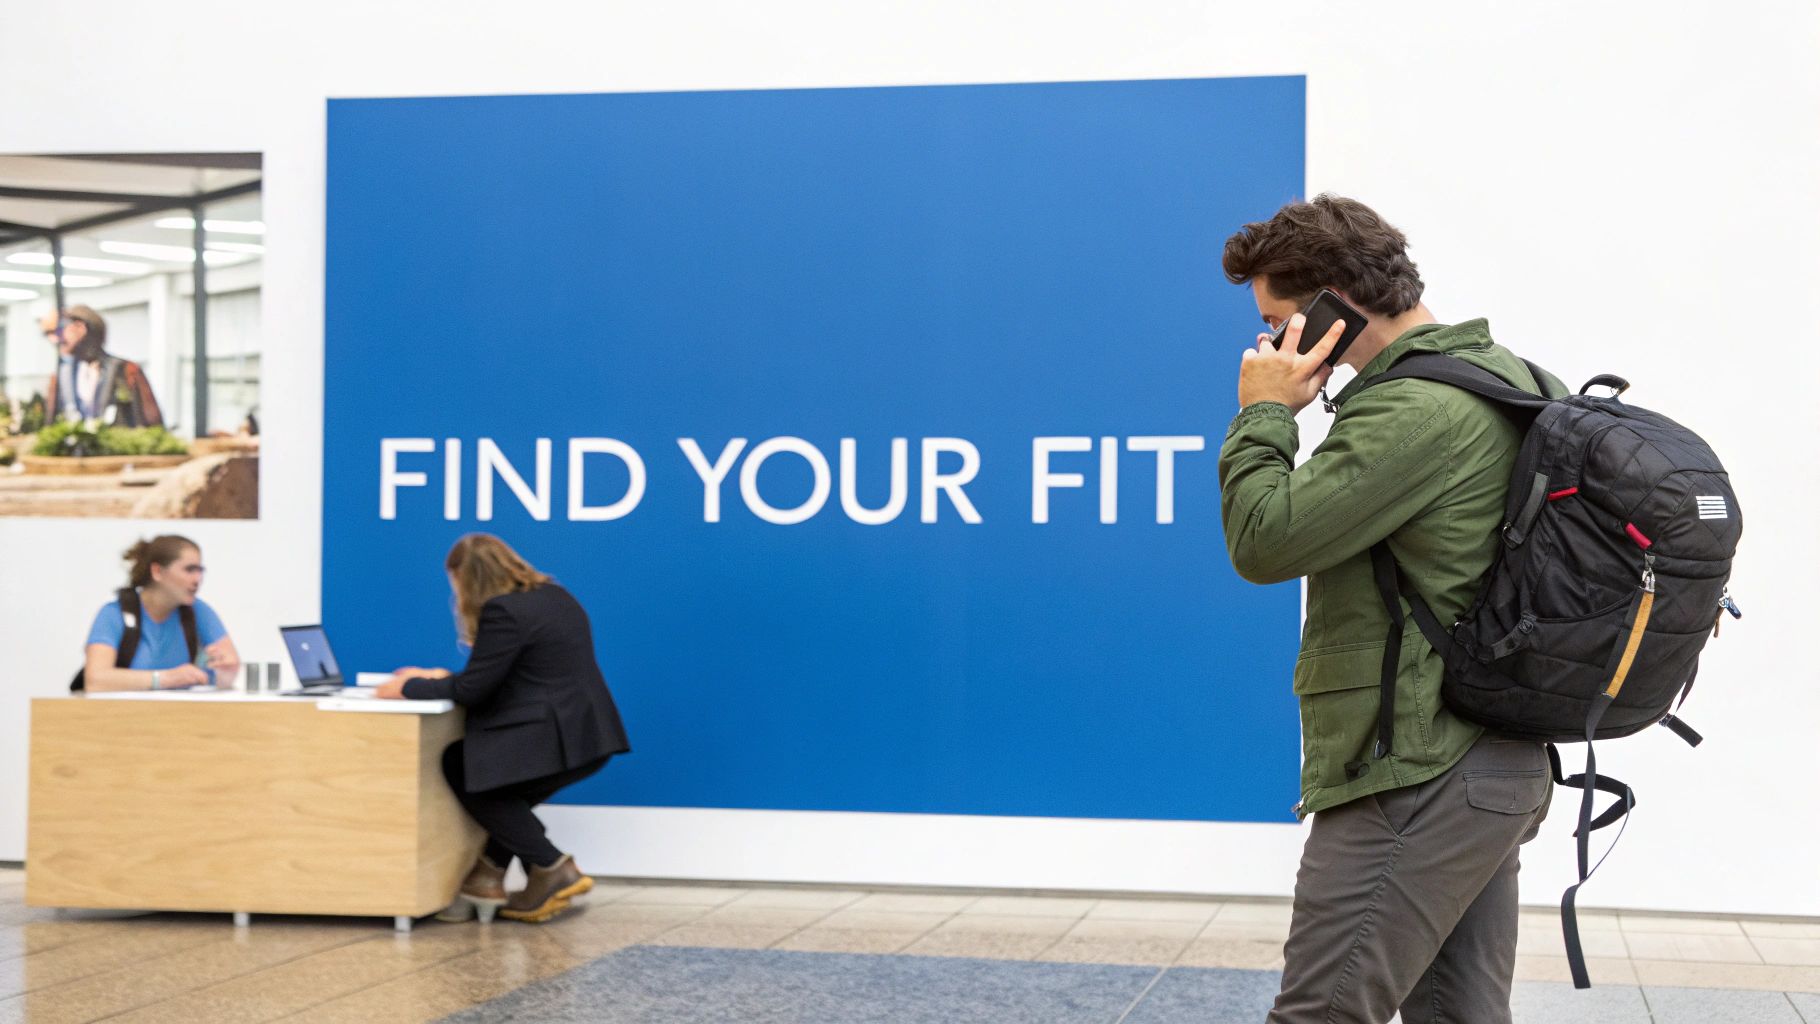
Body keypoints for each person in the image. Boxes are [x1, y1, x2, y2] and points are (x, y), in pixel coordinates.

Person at [1217, 195, 1568, 1024]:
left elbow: (1265, 542)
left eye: (1277, 323)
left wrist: (1264, 412)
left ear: (1332, 306)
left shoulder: (1414, 408)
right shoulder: (1510, 377)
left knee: (1322, 1013)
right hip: (1492, 759)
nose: (1270, 344)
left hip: (1418, 767)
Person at [377, 533, 630, 923]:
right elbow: (515, 674)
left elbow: (474, 690)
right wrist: (441, 677)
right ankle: (486, 879)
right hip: (589, 737)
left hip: (550, 737)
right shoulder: (555, 597)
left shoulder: (502, 611)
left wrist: (407, 687)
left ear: (469, 579)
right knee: (507, 801)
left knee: (462, 767)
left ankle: (553, 868)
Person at [83, 535, 239, 691]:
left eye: (200, 570)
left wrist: (225, 674)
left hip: (178, 714)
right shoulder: (114, 613)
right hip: (124, 714)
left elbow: (228, 666)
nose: (197, 579)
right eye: (189, 569)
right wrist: (165, 679)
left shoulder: (198, 611)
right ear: (157, 571)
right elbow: (95, 680)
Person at [42, 305, 164, 428]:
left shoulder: (126, 370)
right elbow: (50, 425)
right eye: (48, 334)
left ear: (80, 328)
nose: (54, 340)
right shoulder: (61, 377)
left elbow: (152, 424)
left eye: (58, 331)